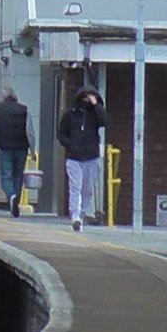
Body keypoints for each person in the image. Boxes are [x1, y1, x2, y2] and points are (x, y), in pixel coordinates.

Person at [57, 87, 107, 231]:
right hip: (74, 158)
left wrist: (96, 104)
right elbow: (61, 134)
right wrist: (71, 146)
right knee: (75, 187)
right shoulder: (70, 115)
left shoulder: (95, 115)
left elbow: (105, 121)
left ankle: (82, 214)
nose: (87, 101)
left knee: (88, 189)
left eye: (90, 98)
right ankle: (75, 215)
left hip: (92, 157)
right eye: (85, 97)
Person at [0, 85, 36, 217]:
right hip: (22, 148)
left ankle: (11, 196)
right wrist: (32, 150)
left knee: (6, 176)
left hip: (5, 147)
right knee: (18, 175)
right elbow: (30, 132)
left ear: (3, 97)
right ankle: (15, 201)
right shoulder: (24, 110)